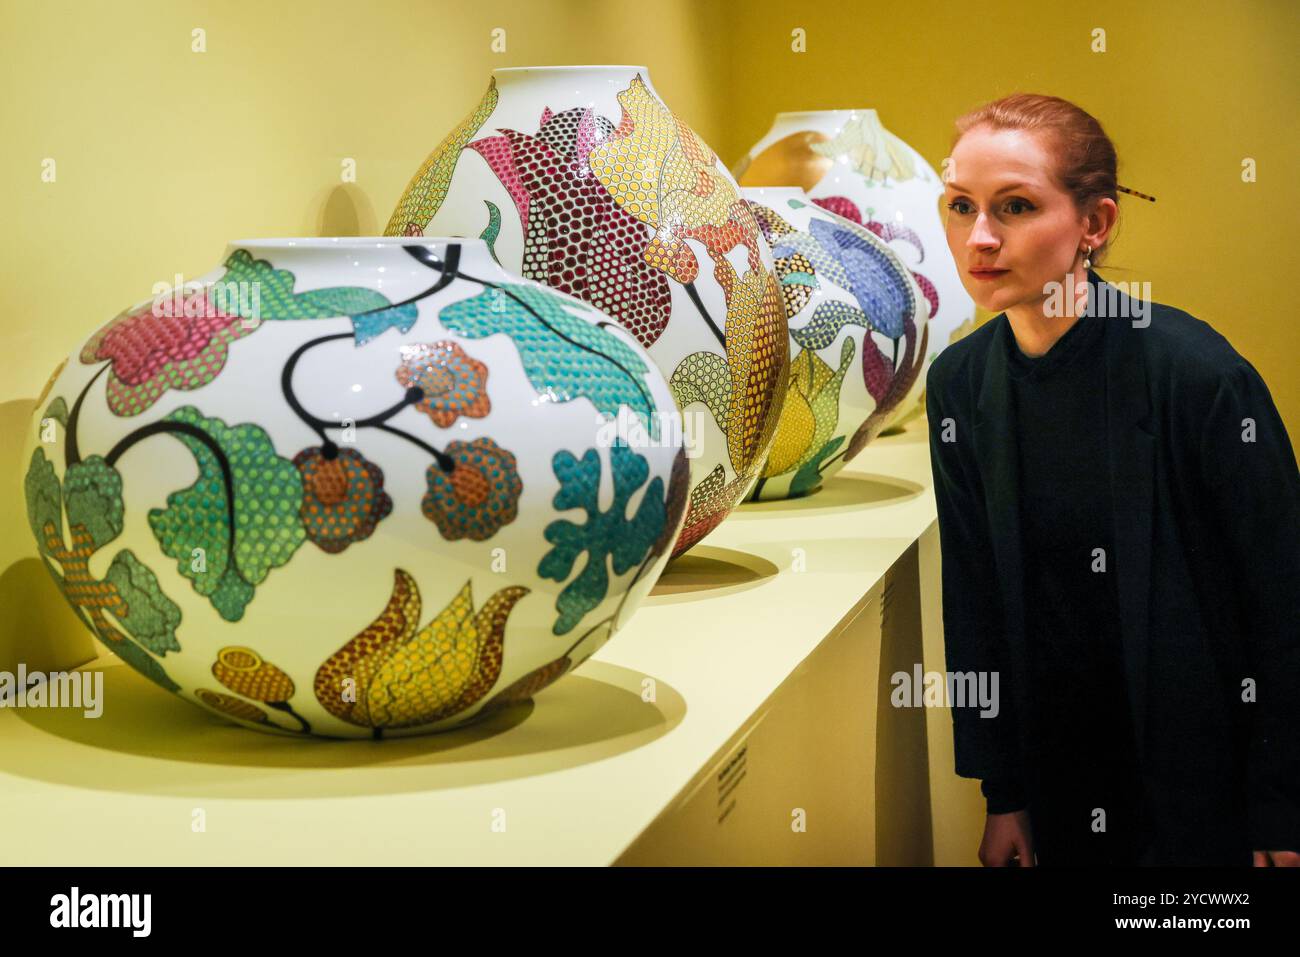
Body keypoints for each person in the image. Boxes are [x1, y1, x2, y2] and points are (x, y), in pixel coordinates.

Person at [925, 93, 1300, 867]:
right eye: (961, 206)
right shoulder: (960, 383)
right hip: (1057, 778)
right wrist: (1004, 794)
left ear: (1095, 224)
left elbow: (1282, 600)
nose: (980, 237)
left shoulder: (1197, 376)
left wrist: (1280, 806)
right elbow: (975, 600)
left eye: (1016, 206)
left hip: (1201, 784)